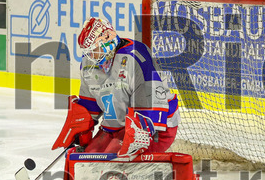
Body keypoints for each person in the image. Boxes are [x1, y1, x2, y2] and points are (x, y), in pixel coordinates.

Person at [52, 17, 179, 157]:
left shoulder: (135, 57)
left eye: (94, 50)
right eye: (88, 51)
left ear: (107, 40)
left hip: (156, 128)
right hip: (117, 127)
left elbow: (151, 106)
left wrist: (137, 137)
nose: (91, 56)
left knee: (109, 162)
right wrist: (80, 131)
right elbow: (89, 105)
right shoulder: (89, 63)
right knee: (88, 157)